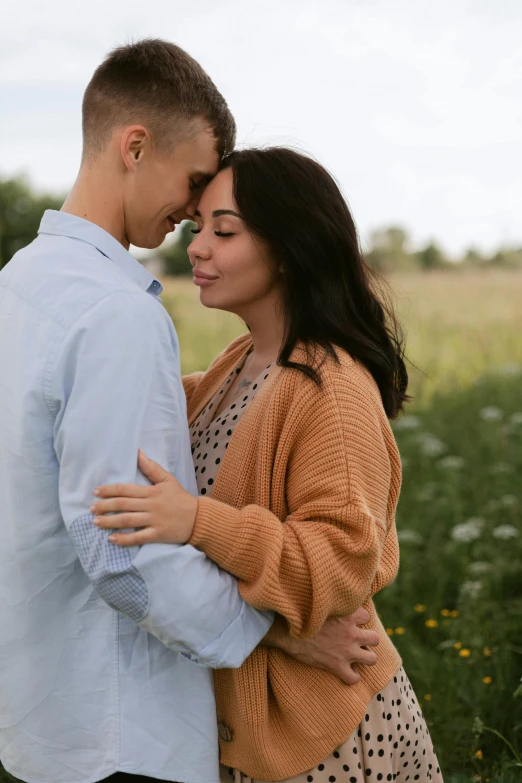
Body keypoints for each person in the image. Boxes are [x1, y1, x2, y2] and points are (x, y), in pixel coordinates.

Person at [0, 42, 379, 783]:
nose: (191, 219)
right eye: (195, 183)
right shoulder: (116, 314)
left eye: (221, 219)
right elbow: (120, 549)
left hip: (42, 709)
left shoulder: (19, 283)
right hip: (124, 728)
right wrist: (273, 633)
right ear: (136, 146)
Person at [91, 148, 444, 782]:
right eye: (199, 227)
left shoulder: (330, 388)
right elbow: (142, 407)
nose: (198, 248)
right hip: (254, 721)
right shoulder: (237, 365)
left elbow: (341, 564)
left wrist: (198, 521)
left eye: (224, 231)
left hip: (325, 731)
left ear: (291, 244)